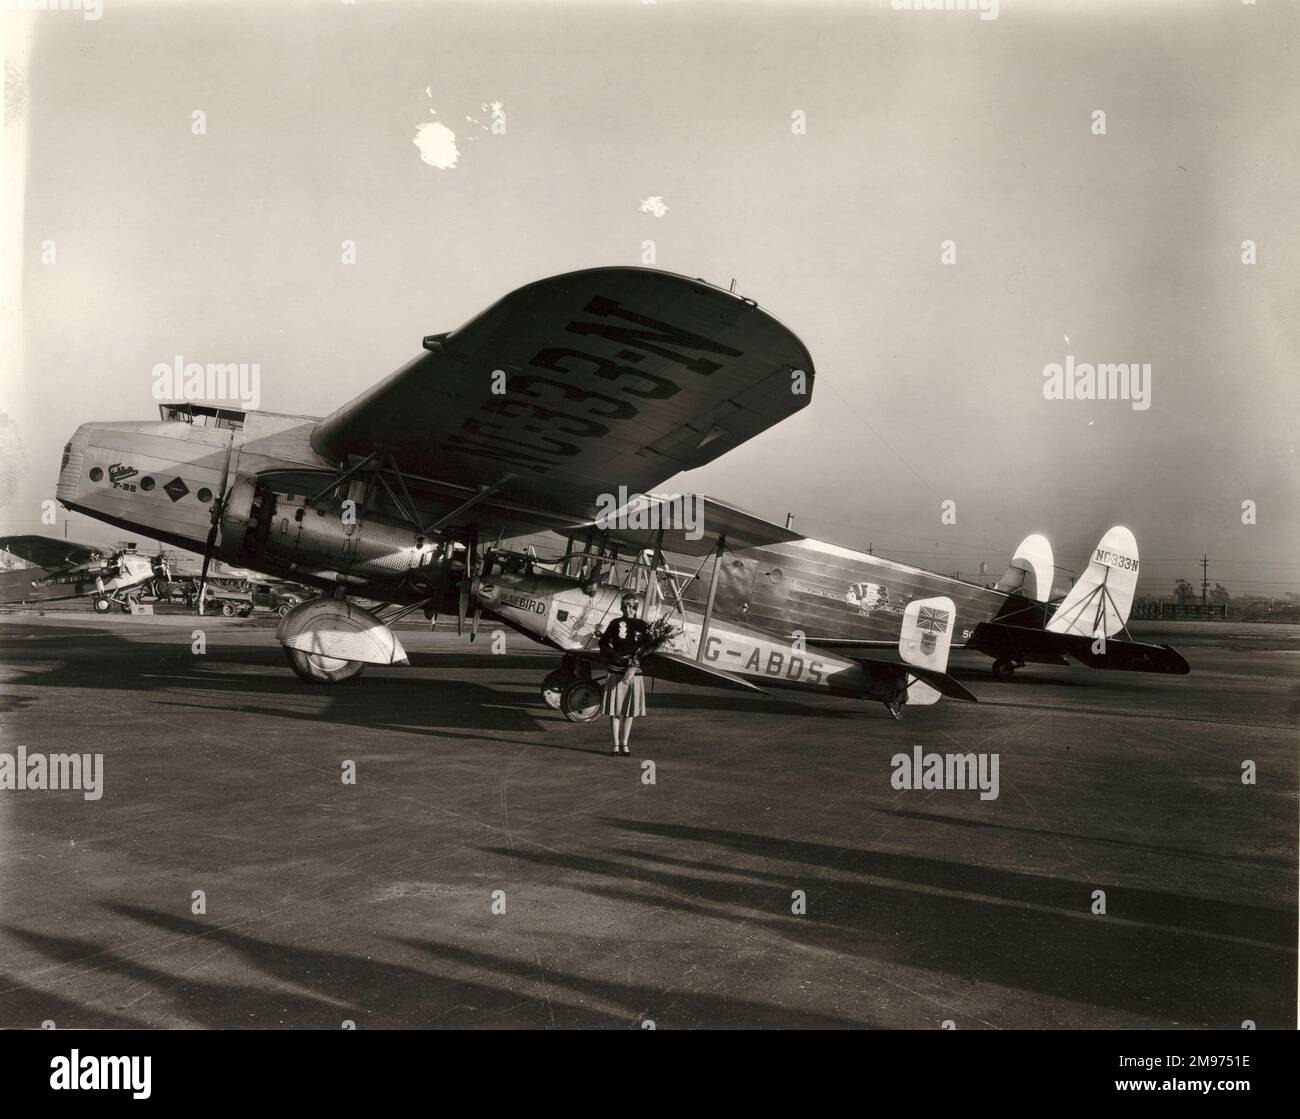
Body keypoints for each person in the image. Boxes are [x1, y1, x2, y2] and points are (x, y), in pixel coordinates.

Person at [598, 593, 649, 755]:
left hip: (634, 673)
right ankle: (615, 744)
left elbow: (647, 648)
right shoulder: (615, 623)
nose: (627, 609)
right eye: (625, 606)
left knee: (629, 711)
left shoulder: (643, 626)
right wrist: (614, 656)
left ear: (635, 608)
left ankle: (625, 743)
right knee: (615, 710)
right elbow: (603, 642)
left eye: (630, 606)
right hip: (616, 670)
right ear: (621, 607)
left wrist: (635, 661)